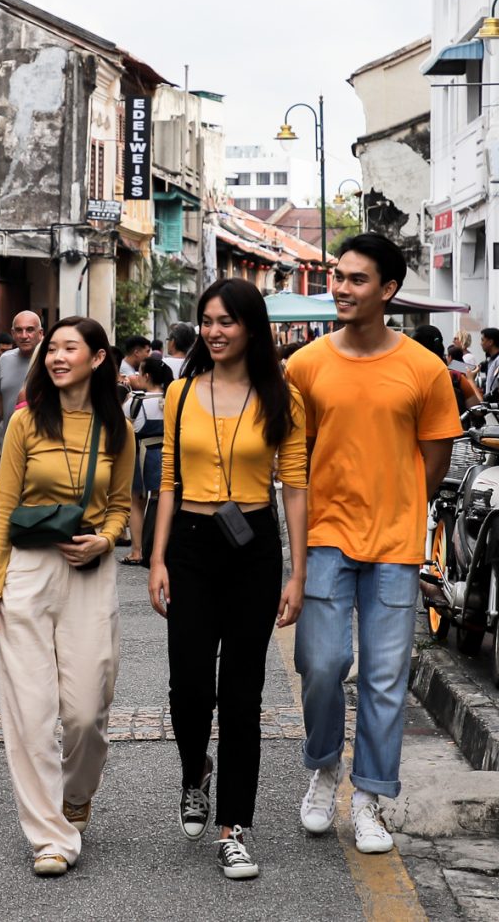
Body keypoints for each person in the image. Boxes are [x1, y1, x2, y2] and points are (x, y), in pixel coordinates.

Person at [287, 234, 460, 856]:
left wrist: (399, 505)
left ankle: (368, 797)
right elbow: (294, 459)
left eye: (356, 279)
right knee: (323, 664)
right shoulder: (305, 365)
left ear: (387, 291)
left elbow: (434, 456)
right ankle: (324, 766)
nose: (340, 287)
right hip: (326, 536)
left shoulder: (423, 367)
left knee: (386, 677)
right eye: (338, 276)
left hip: (395, 542)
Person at [149, 278, 308, 881]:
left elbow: (294, 484)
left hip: (255, 549)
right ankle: (197, 773)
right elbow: (168, 479)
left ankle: (234, 828)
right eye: (207, 321)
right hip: (189, 546)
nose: (214, 332)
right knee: (189, 687)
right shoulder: (182, 392)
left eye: (226, 322)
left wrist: (298, 570)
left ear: (250, 327)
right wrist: (157, 558)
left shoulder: (281, 398)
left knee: (242, 695)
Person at [0, 316, 135, 876]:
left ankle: (76, 793)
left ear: (97, 358)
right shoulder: (24, 423)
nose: (56, 357)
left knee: (87, 712)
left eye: (71, 348)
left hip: (91, 571)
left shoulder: (118, 427)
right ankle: (50, 837)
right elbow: (3, 509)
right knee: (31, 710)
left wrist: (107, 539)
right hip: (28, 570)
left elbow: (120, 504)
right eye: (52, 349)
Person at [0, 311, 45, 471]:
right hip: (10, 449)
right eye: (19, 330)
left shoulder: (53, 361)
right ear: (13, 333)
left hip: (45, 452)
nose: (24, 335)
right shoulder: (5, 360)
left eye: (30, 330)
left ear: (40, 333)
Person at [122, 357, 172, 567]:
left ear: (147, 376)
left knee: (136, 501)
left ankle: (137, 550)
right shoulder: (172, 398)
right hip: (168, 453)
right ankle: (162, 548)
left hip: (141, 453)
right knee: (165, 500)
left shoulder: (134, 402)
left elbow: (124, 425)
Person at [477, 327, 499, 410]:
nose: (480, 343)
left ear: (490, 342)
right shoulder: (492, 360)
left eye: (483, 340)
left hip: (498, 411)